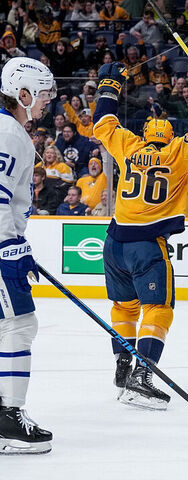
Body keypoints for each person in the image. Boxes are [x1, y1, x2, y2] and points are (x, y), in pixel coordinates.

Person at [92, 61, 188, 410]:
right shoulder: (176, 151)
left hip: (114, 243)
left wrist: (110, 87)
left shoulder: (129, 147)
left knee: (124, 306)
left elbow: (103, 122)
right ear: (167, 136)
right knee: (158, 308)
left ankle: (123, 367)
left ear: (145, 134)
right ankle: (142, 375)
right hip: (147, 246)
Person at [0, 56, 56, 454]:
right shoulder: (10, 133)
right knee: (20, 324)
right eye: (43, 96)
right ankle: (9, 419)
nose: (46, 104)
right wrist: (9, 247)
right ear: (24, 93)